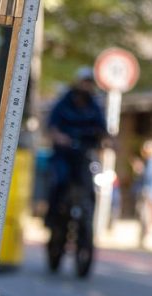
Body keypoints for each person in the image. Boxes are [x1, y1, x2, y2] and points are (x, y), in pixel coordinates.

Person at [45, 67, 108, 232]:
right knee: (59, 181)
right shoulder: (63, 103)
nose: (86, 86)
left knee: (90, 187)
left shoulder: (95, 106)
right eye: (84, 82)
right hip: (64, 154)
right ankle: (52, 218)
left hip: (84, 154)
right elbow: (52, 127)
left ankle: (87, 226)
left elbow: (103, 130)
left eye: (89, 83)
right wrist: (59, 137)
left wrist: (108, 141)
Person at [132, 139, 152, 249]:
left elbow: (149, 176)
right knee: (146, 213)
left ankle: (145, 236)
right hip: (150, 191)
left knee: (146, 214)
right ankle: (144, 236)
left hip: (149, 191)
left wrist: (140, 169)